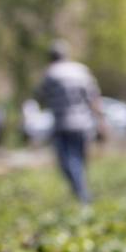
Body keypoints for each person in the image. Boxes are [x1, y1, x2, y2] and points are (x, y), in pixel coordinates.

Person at [36, 40, 105, 203]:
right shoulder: (81, 70)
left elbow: (40, 95)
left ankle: (82, 195)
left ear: (51, 57)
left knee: (67, 161)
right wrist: (101, 121)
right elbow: (94, 98)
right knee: (79, 159)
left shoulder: (51, 73)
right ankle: (82, 193)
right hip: (84, 123)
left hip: (63, 124)